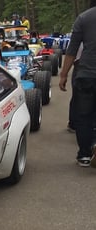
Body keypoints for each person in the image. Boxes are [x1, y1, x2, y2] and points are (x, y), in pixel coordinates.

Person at [59, 0, 96, 167]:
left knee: (84, 116)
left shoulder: (83, 18)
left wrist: (64, 75)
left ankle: (85, 155)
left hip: (86, 74)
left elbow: (72, 50)